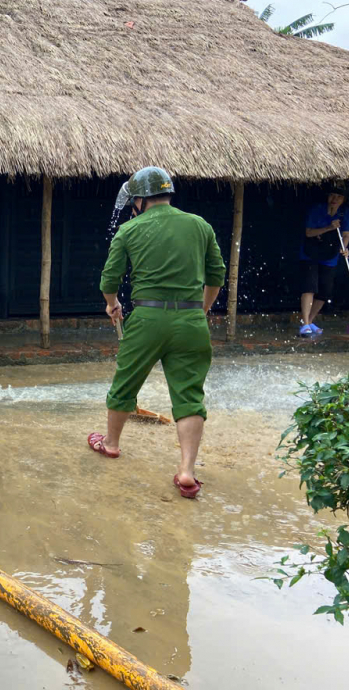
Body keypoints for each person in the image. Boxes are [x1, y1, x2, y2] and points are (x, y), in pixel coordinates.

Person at [90, 167, 226, 500]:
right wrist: (200, 311)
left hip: (147, 319)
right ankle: (186, 472)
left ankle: (111, 445)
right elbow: (217, 276)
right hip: (191, 320)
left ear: (139, 199)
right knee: (189, 396)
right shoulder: (200, 225)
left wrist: (112, 304)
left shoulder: (129, 229)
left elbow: (109, 281)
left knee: (126, 382)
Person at [298, 188, 349, 337]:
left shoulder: (345, 213)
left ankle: (308, 322)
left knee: (325, 292)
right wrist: (329, 227)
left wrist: (344, 248)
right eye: (332, 195)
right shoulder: (317, 210)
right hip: (311, 254)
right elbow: (309, 232)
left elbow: (346, 234)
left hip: (330, 256)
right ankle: (305, 324)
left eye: (339, 197)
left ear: (343, 200)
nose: (335, 199)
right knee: (309, 287)